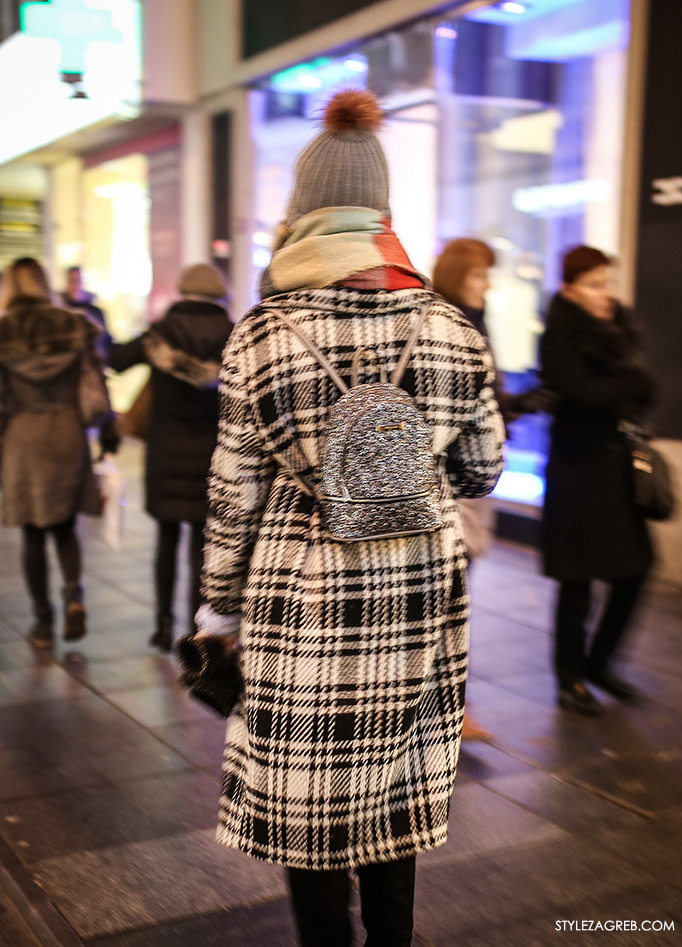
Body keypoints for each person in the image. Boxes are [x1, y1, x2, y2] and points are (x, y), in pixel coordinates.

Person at [195, 90, 504, 947]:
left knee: (314, 794)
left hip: (305, 599)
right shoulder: (452, 327)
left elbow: (233, 494)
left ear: (300, 214)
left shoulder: (261, 333)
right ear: (382, 212)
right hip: (417, 593)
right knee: (394, 784)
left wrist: (218, 606)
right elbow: (482, 469)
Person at [433, 237, 545, 741]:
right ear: (458, 277)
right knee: (449, 592)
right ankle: (451, 707)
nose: (487, 285)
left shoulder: (471, 323)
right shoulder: (451, 324)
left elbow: (484, 401)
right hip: (452, 481)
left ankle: (451, 705)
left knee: (454, 590)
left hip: (469, 478)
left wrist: (516, 404)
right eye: (479, 276)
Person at [540, 245, 654, 716]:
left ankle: (600, 662)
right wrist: (628, 386)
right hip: (576, 471)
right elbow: (582, 394)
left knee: (637, 567)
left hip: (615, 469)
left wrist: (626, 388)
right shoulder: (559, 334)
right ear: (570, 288)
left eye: (606, 282)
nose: (604, 293)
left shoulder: (618, 328)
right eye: (593, 284)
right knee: (578, 579)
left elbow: (645, 390)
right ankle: (570, 679)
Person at [109, 263, 232, 652]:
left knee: (165, 540)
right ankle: (196, 627)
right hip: (211, 456)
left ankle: (161, 625)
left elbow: (115, 358)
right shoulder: (233, 334)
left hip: (164, 452)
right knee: (202, 544)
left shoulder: (159, 333)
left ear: (182, 290)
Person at [0, 257, 107, 648]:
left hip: (22, 436)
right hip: (66, 431)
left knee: (32, 531)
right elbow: (98, 383)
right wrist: (108, 432)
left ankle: (43, 623)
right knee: (64, 526)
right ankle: (73, 596)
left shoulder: (4, 331)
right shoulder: (73, 323)